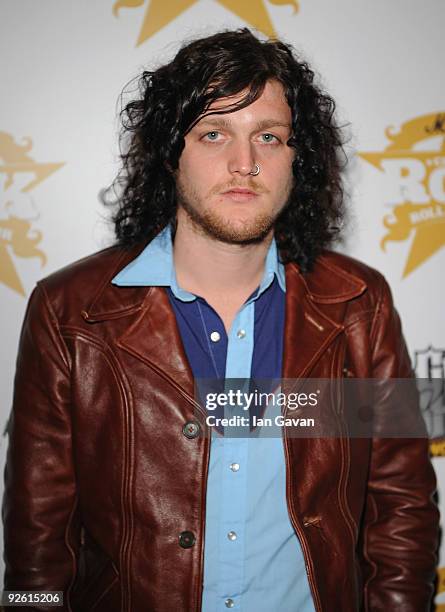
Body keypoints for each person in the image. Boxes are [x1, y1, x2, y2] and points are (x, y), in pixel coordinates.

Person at [2, 28, 439, 612]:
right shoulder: (72, 313)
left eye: (269, 136)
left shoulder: (358, 305)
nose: (244, 163)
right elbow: (38, 541)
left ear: (296, 158)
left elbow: (401, 507)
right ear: (169, 152)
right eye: (214, 133)